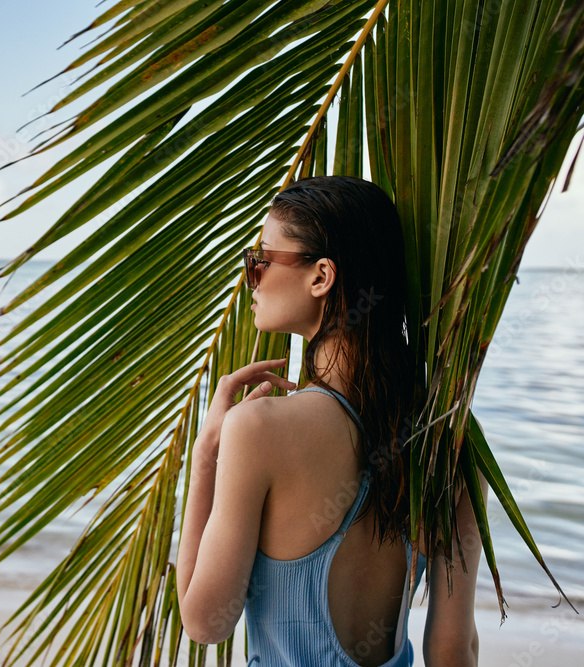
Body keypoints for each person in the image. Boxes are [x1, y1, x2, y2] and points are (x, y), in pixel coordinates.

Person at [176, 175, 485, 666]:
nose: (250, 276)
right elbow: (453, 649)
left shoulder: (259, 430)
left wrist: (206, 458)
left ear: (322, 276)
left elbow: (205, 623)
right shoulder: (447, 440)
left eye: (260, 260)